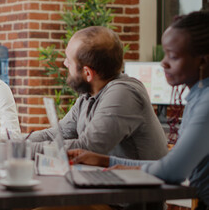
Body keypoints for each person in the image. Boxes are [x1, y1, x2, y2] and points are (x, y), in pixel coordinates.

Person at [68, 11, 209, 209]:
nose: (163, 63)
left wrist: (109, 163)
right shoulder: (198, 96)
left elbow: (173, 170)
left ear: (202, 61)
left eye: (173, 56)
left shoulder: (206, 102)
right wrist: (106, 161)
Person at [29, 26, 168, 161]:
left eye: (69, 60)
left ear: (88, 73)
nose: (65, 63)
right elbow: (58, 134)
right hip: (114, 180)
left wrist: (24, 150)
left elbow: (86, 148)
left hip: (142, 182)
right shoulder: (89, 95)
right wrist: (13, 142)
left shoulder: (124, 94)